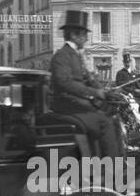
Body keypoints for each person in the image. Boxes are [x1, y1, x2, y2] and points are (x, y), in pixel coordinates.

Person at [49, 10, 122, 164]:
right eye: (84, 34)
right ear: (74, 35)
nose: (87, 38)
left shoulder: (76, 55)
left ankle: (116, 160)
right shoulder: (61, 56)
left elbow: (88, 78)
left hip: (77, 104)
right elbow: (65, 83)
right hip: (66, 105)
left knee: (113, 117)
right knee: (104, 122)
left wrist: (106, 92)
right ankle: (110, 169)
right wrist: (95, 92)